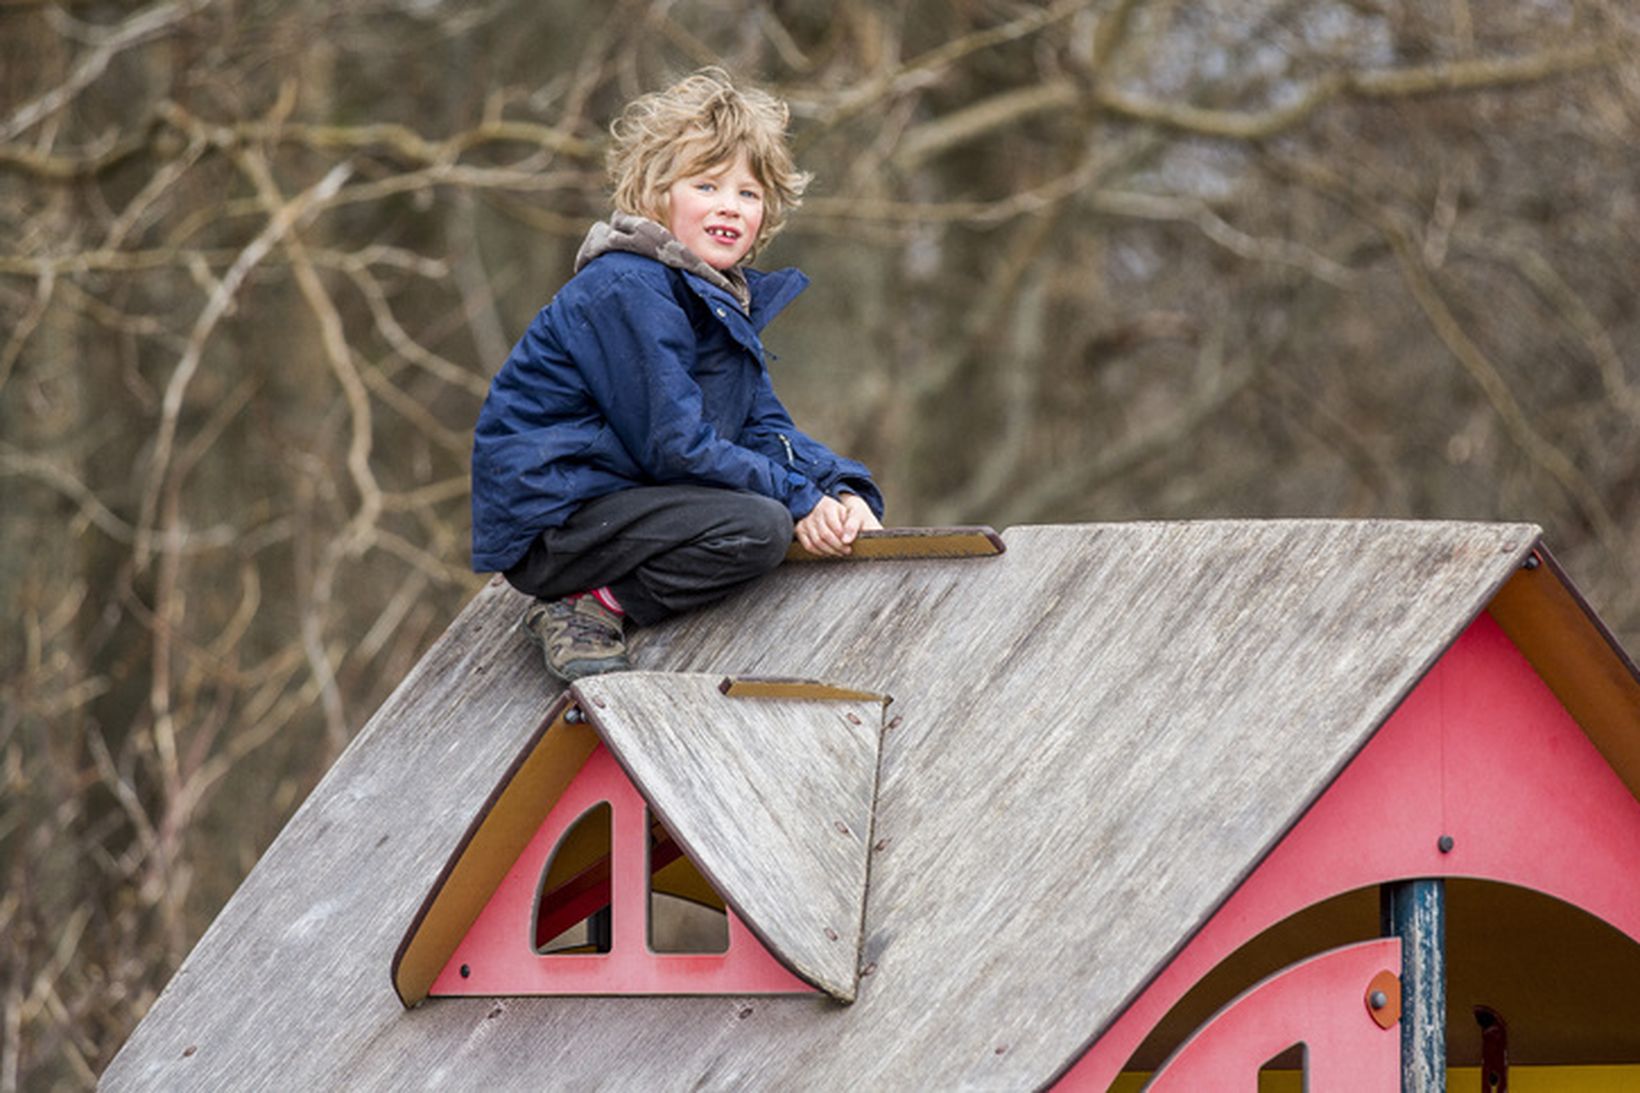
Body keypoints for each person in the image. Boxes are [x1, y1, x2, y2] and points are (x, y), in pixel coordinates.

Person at [470, 68, 884, 685]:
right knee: (759, 526)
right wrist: (797, 502)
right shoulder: (627, 287)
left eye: (748, 193)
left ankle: (605, 594)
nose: (729, 206)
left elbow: (762, 428)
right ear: (656, 195)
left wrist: (840, 493)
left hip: (627, 505)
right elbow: (675, 443)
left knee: (769, 514)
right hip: (559, 522)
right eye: (707, 184)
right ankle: (587, 606)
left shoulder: (716, 302)